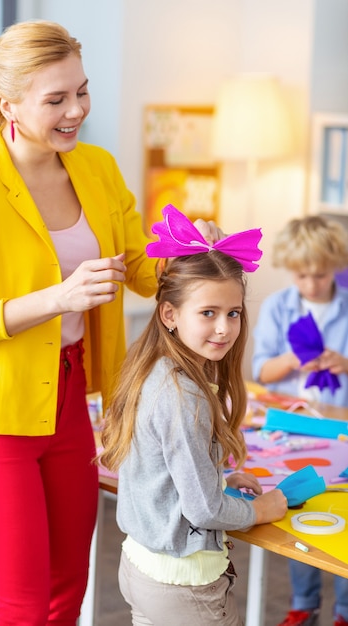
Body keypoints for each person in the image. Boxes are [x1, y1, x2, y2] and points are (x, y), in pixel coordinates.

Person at [0, 20, 221, 626]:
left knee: (69, 591)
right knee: (19, 606)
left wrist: (190, 250)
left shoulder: (96, 168)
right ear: (7, 103)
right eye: (56, 99)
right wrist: (58, 298)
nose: (76, 111)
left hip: (71, 403)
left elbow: (142, 268)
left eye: (81, 92)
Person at [98, 207, 288, 626]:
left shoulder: (155, 370)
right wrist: (262, 510)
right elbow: (203, 509)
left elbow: (169, 471)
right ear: (170, 315)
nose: (224, 328)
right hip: (184, 587)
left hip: (142, 568)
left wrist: (217, 477)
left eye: (233, 313)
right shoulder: (185, 395)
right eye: (208, 313)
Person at [252, 215, 348, 626]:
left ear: (337, 268)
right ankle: (303, 603)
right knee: (297, 507)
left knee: (342, 516)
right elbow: (260, 371)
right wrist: (294, 359)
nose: (311, 284)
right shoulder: (278, 306)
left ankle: (344, 610)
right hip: (292, 431)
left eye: (321, 275)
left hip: (340, 430)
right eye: (302, 275)